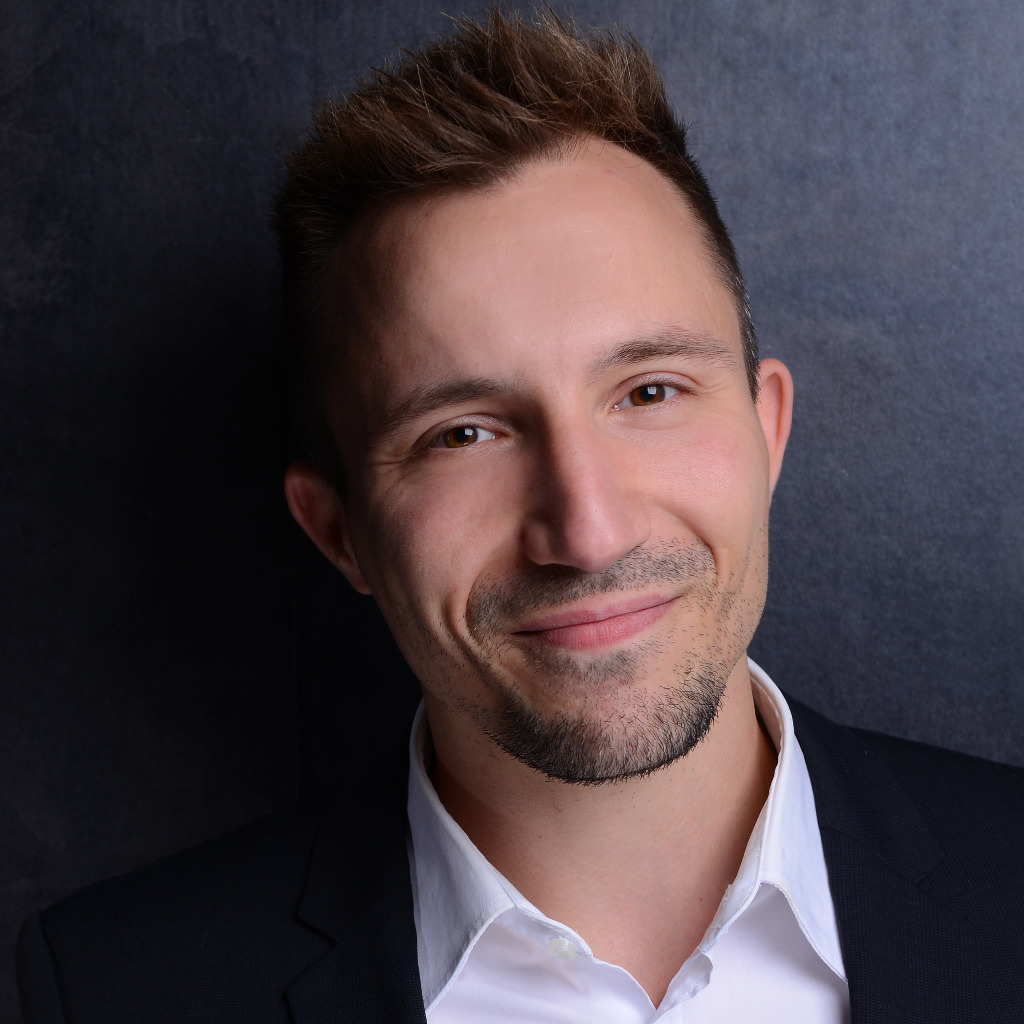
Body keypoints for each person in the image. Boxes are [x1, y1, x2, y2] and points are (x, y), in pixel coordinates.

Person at [17, 8, 1024, 1023]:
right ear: (338, 530)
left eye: (650, 392)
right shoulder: (117, 992)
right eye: (463, 433)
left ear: (767, 431)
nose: (588, 533)